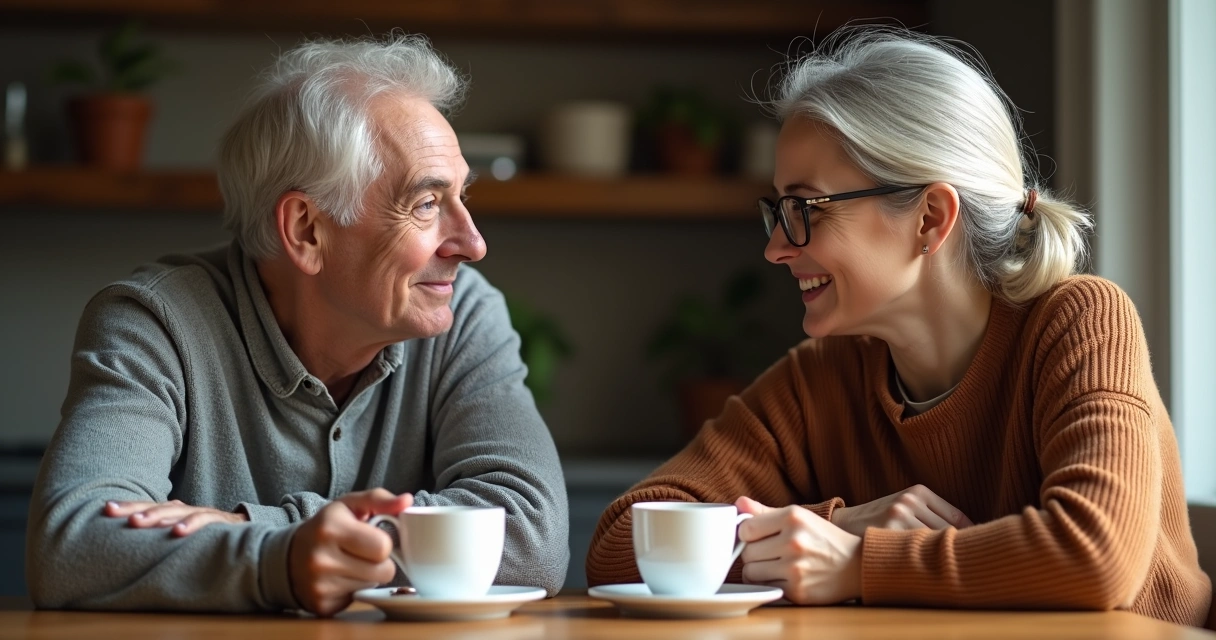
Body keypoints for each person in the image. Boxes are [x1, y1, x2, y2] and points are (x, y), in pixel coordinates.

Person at [586, 29, 1211, 626]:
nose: (776, 247)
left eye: (804, 208)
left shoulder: (1079, 323)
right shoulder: (821, 378)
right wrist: (835, 528)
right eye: (778, 211)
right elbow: (622, 540)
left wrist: (857, 563)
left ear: (930, 218)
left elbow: (1097, 554)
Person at [27, 34, 568, 615]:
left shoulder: (466, 314)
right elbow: (71, 546)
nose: (473, 244)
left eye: (461, 197)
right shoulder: (155, 322)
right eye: (427, 204)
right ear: (307, 230)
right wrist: (280, 560)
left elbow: (532, 534)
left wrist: (258, 529)